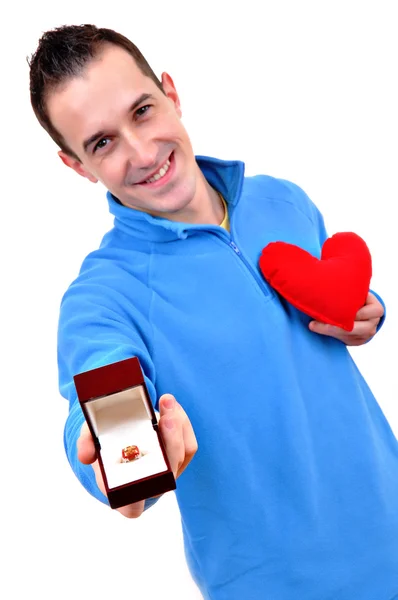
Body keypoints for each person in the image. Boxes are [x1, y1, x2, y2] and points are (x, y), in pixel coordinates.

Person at [28, 24, 398, 600]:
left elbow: (341, 307)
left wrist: (368, 313)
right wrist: (113, 461)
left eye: (143, 111)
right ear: (76, 165)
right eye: (102, 143)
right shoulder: (102, 296)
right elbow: (97, 394)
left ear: (171, 93)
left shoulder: (284, 200)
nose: (143, 152)